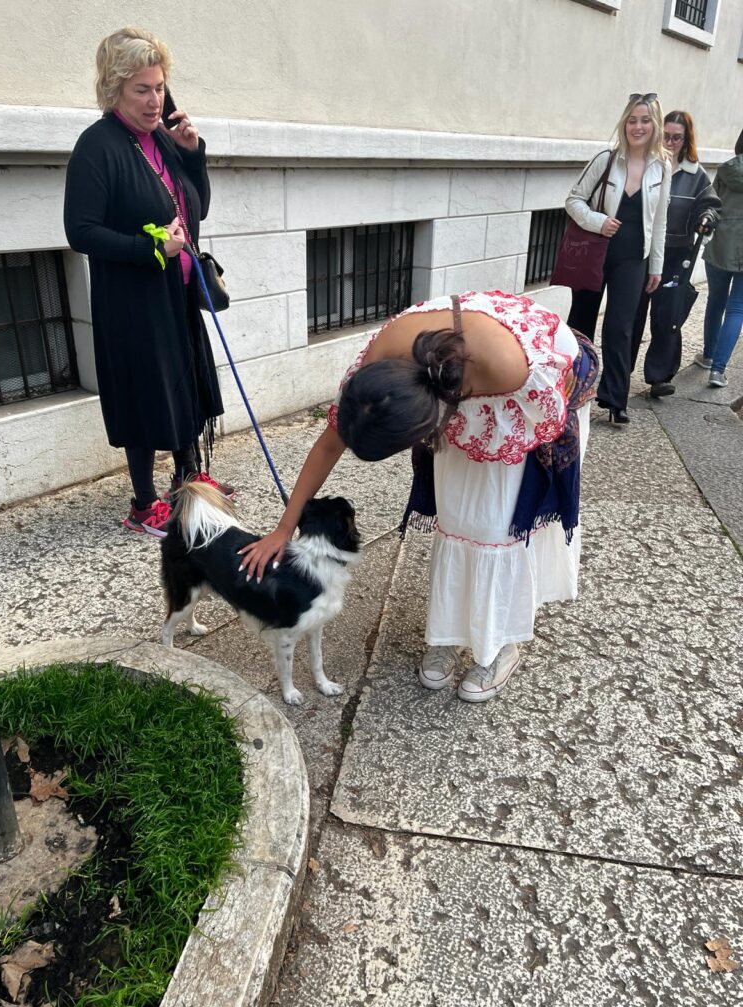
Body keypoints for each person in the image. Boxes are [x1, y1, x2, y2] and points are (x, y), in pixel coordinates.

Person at [239, 292, 598, 704]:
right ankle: (451, 632)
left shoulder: (505, 368)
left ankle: (498, 644)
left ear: (427, 424)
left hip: (534, 391)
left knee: (497, 526)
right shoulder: (379, 366)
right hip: (468, 374)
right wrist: (283, 529)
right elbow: (328, 444)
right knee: (457, 519)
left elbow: (543, 414)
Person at [64, 27, 228, 539]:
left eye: (159, 88)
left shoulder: (163, 139)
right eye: (142, 89)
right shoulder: (97, 147)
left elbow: (197, 207)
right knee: (143, 390)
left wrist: (193, 153)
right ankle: (142, 502)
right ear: (114, 89)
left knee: (184, 381)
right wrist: (151, 249)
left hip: (176, 294)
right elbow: (80, 231)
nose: (156, 100)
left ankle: (187, 480)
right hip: (132, 301)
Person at [565, 93, 671, 424]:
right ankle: (570, 387)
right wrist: (598, 221)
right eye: (632, 120)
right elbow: (573, 200)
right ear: (624, 123)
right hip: (595, 252)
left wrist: (656, 266)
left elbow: (660, 221)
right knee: (581, 321)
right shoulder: (606, 160)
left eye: (645, 120)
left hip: (633, 259)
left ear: (655, 125)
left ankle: (614, 399)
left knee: (621, 327)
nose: (637, 127)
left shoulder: (662, 167)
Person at [631, 111, 720, 398]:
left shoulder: (696, 174)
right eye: (666, 136)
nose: (670, 142)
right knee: (632, 311)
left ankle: (659, 378)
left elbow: (710, 205)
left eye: (676, 138)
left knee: (668, 314)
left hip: (676, 254)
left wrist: (706, 218)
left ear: (687, 139)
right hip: (642, 250)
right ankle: (620, 371)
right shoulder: (648, 165)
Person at [695, 128, 743, 388]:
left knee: (716, 300)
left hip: (721, 242)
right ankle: (718, 370)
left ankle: (708, 355)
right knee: (737, 308)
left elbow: (712, 204)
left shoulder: (726, 169)